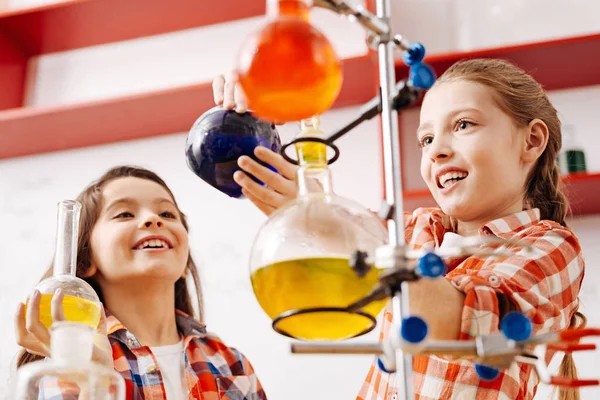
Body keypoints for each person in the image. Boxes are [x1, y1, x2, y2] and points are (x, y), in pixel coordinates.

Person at [211, 59, 586, 400]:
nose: (436, 150)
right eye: (426, 139)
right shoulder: (415, 229)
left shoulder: (550, 246)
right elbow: (334, 230)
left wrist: (338, 223)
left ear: (532, 140)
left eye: (463, 125)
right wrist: (264, 115)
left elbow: (471, 321)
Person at [14, 166, 267, 399]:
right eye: (124, 214)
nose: (153, 220)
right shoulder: (70, 368)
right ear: (85, 260)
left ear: (184, 261)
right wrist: (97, 382)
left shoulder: (232, 364)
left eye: (167, 213)